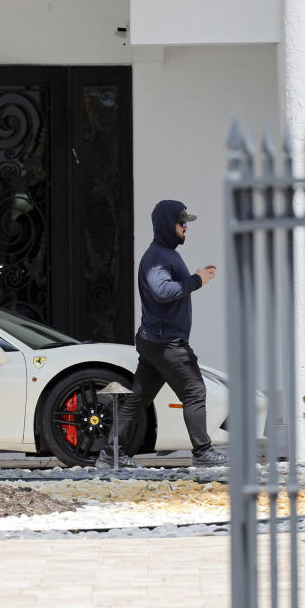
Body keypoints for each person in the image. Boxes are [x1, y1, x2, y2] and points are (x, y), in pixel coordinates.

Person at [96, 199, 228, 468]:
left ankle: (111, 455)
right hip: (167, 343)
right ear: (169, 224)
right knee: (194, 391)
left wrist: (195, 278)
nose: (185, 229)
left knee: (138, 397)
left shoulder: (164, 253)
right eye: (182, 223)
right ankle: (203, 453)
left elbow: (168, 288)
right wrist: (196, 280)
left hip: (154, 341)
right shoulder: (156, 257)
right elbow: (163, 291)